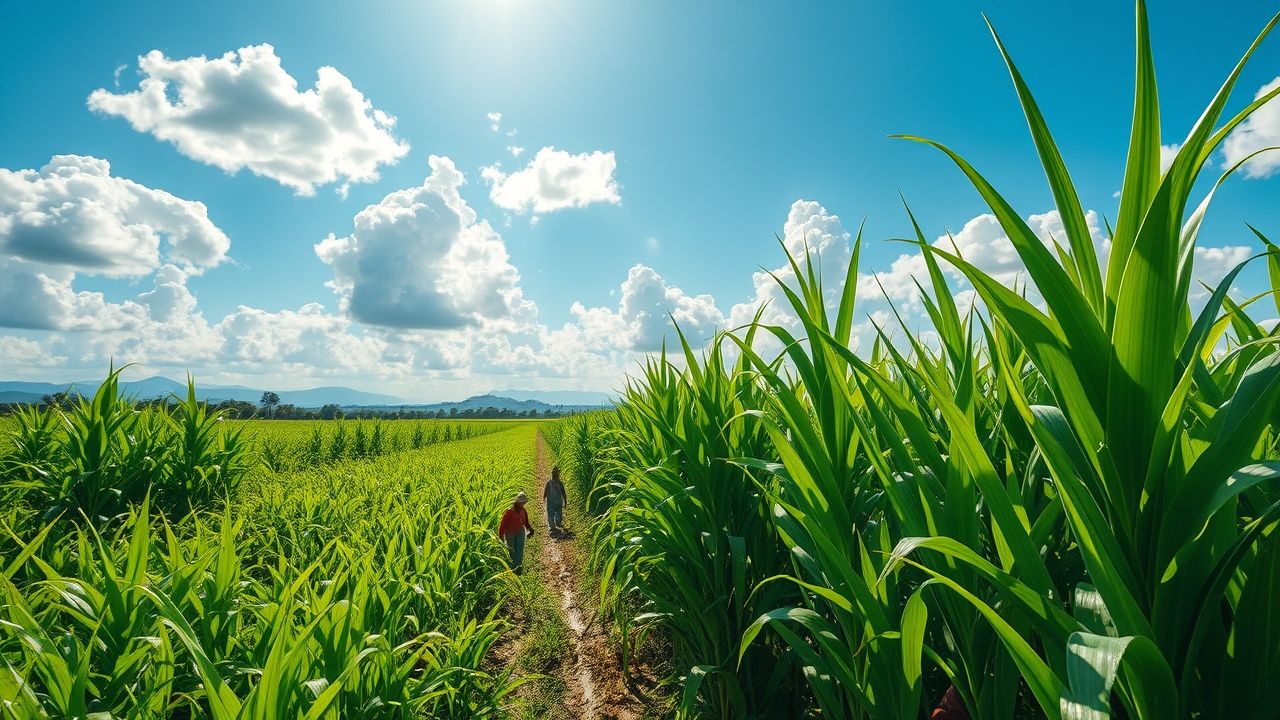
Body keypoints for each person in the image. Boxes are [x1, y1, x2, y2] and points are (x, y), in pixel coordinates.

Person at [498, 491, 535, 573]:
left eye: (524, 503)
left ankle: (518, 567)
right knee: (511, 549)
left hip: (520, 531)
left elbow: (526, 522)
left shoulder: (523, 511)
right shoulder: (509, 512)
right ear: (517, 502)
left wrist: (530, 530)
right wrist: (501, 536)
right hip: (510, 532)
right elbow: (503, 524)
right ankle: (511, 568)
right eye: (521, 503)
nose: (522, 504)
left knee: (519, 549)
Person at [544, 467, 567, 533]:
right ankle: (553, 525)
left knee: (554, 513)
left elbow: (563, 492)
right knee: (554, 513)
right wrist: (565, 500)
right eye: (556, 475)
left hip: (555, 502)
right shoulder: (551, 483)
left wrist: (565, 500)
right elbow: (546, 491)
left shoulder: (557, 483)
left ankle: (555, 524)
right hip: (554, 502)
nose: (557, 476)